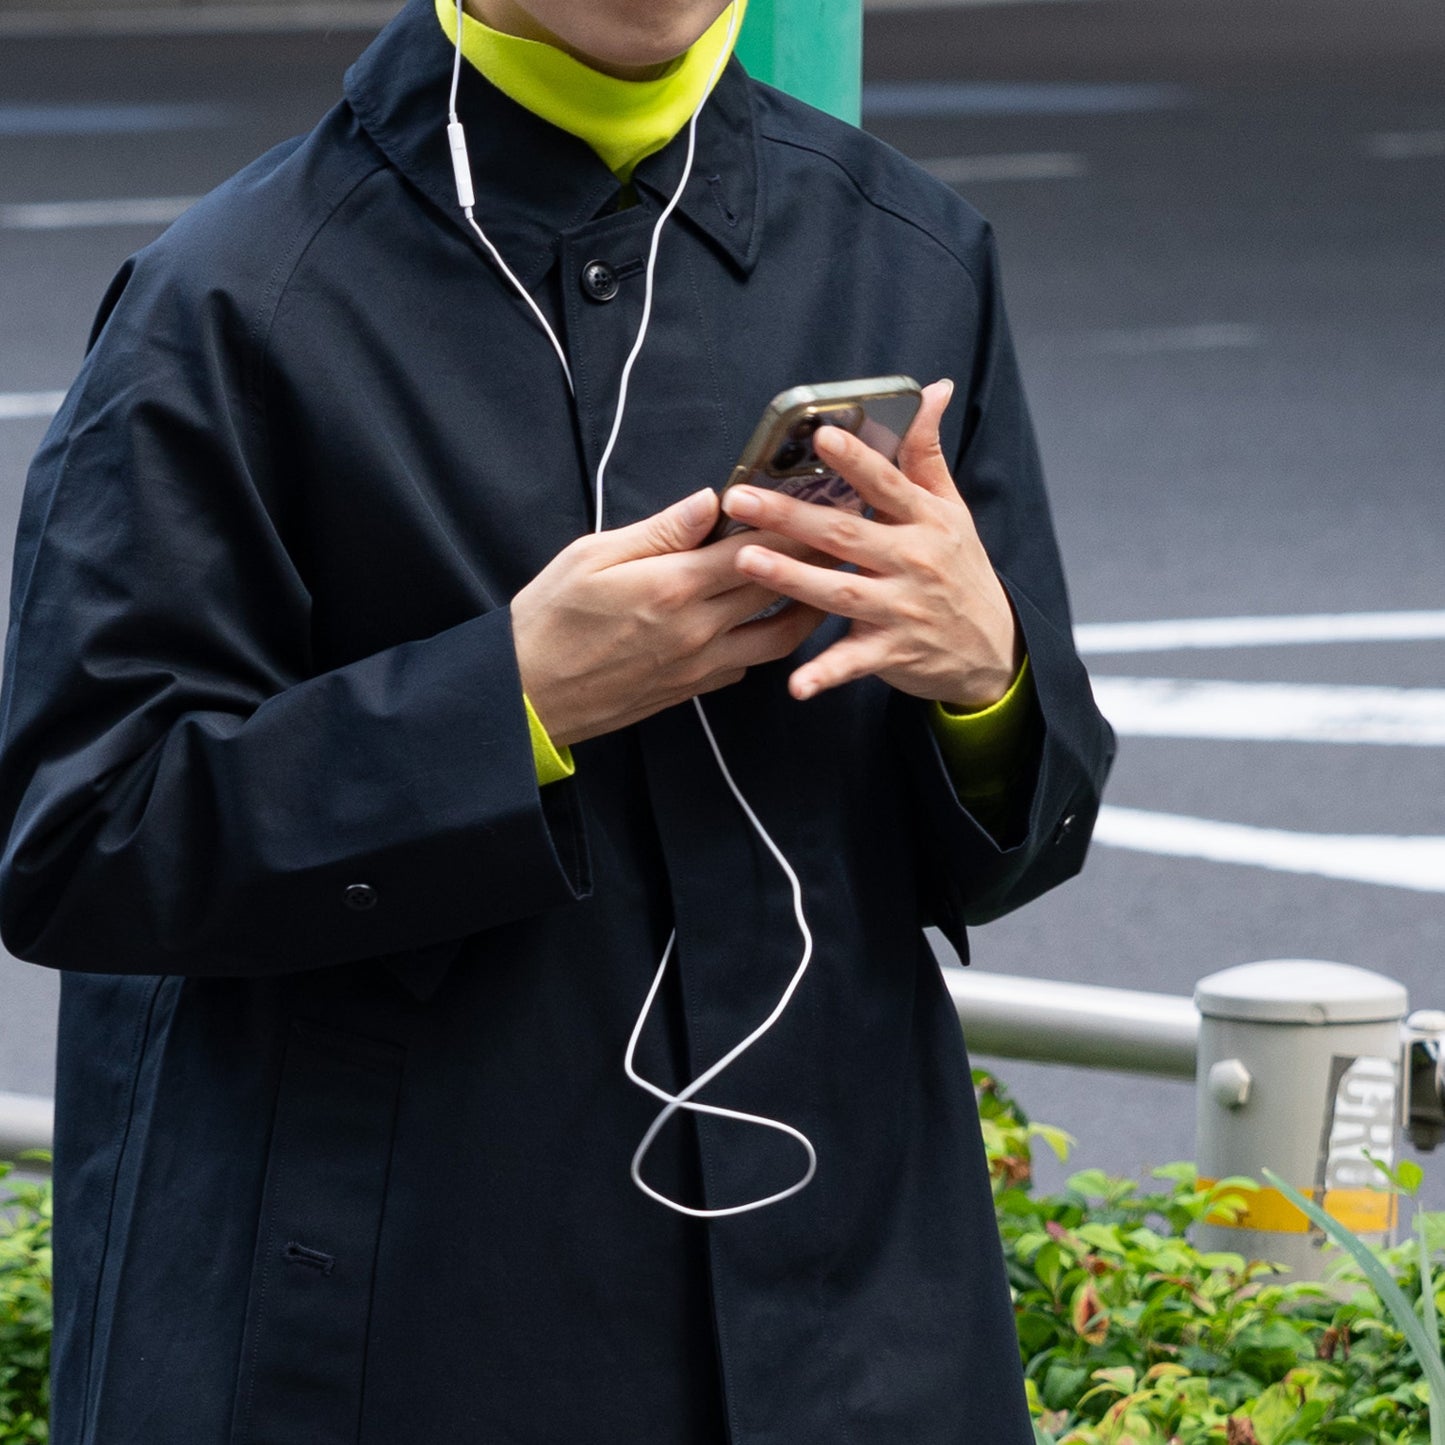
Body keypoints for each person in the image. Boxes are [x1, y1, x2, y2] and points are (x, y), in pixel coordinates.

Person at [0, 0, 1114, 1439]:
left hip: (854, 1340)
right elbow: (82, 834)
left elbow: (1019, 835)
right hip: (393, 1337)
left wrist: (986, 679)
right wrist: (510, 698)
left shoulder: (907, 253)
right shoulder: (231, 296)